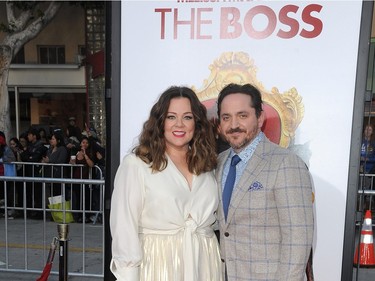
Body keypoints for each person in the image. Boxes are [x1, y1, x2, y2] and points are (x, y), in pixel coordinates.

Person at [110, 86, 222, 281]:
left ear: (196, 123)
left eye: (187, 117)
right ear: (160, 122)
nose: (179, 124)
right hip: (157, 266)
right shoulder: (137, 165)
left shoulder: (208, 166)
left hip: (204, 264)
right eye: (171, 117)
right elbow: (124, 228)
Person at [215, 83, 314, 281]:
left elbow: (297, 239)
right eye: (226, 117)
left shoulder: (286, 163)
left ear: (260, 118)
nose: (234, 124)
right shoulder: (219, 162)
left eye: (242, 115)